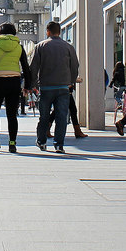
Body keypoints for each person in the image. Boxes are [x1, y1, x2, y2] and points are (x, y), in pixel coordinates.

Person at [0, 22, 32, 153]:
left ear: (0, 33)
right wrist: (27, 85)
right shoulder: (19, 46)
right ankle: (12, 143)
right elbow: (26, 67)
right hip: (14, 82)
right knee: (12, 114)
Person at [31, 20, 79, 153]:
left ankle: (41, 141)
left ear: (48, 32)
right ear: (59, 32)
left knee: (44, 116)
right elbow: (75, 66)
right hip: (63, 87)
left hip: (46, 87)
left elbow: (34, 67)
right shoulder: (68, 47)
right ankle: (59, 144)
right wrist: (71, 81)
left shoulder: (40, 46)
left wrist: (33, 84)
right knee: (61, 116)